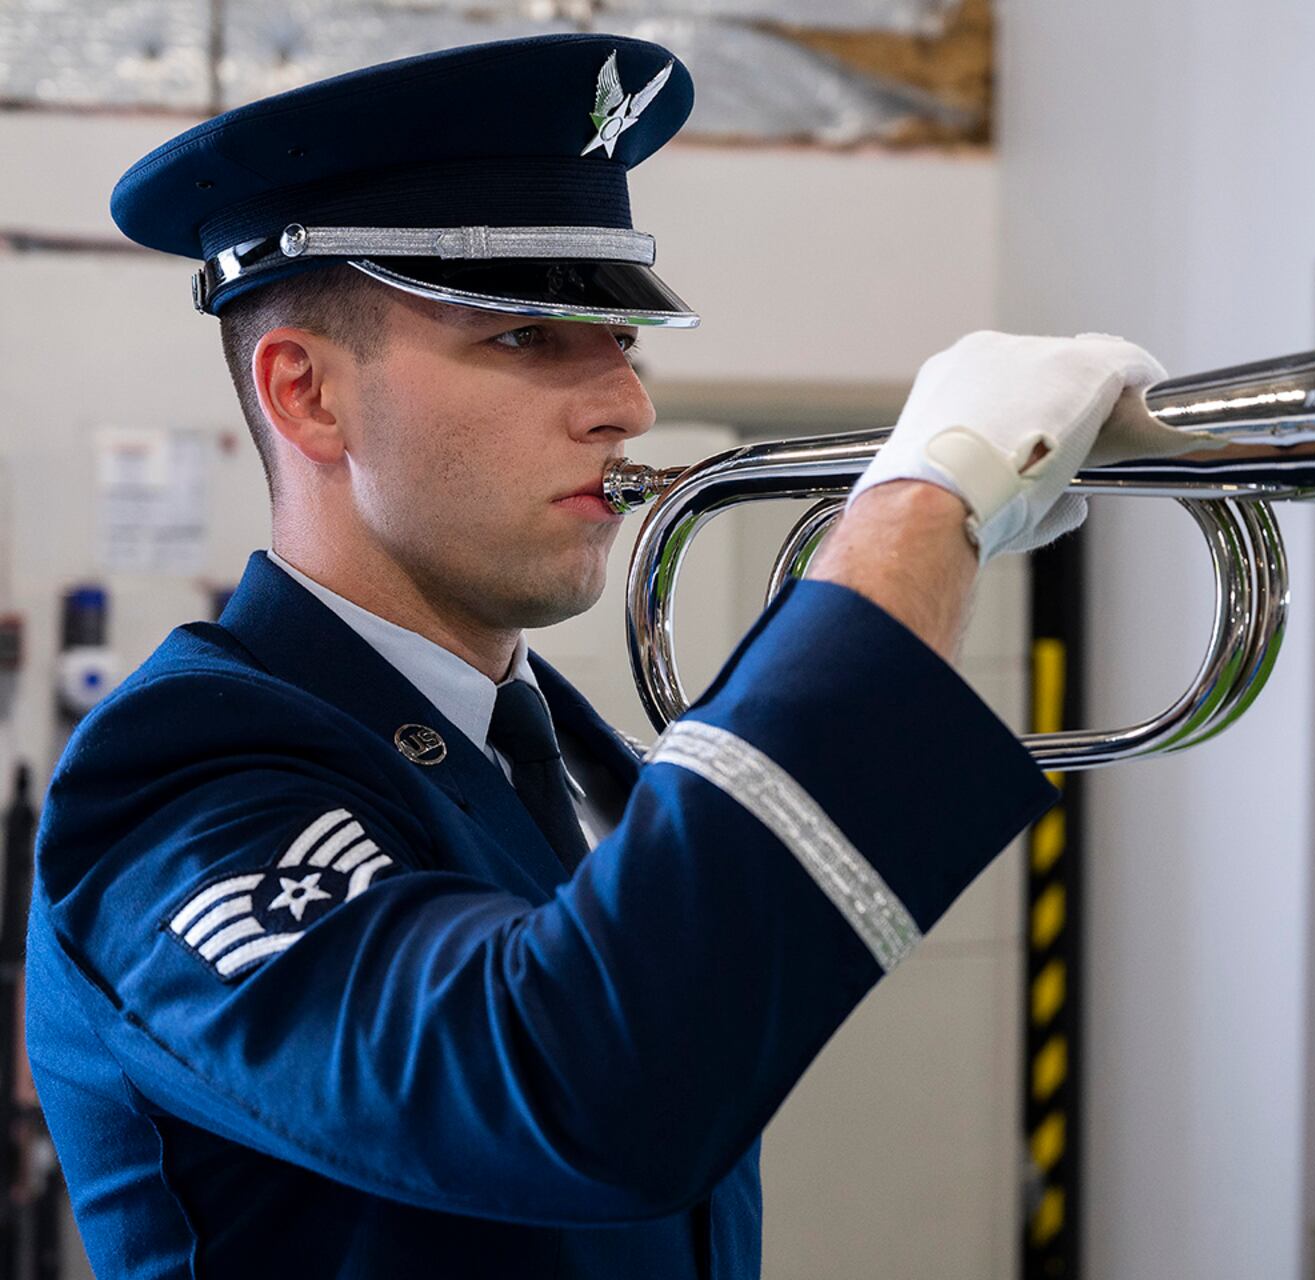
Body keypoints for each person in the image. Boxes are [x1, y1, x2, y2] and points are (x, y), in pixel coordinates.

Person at [23, 32, 1164, 1280]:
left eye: (621, 339)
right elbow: (579, 1082)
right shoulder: (180, 775)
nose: (625, 402)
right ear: (306, 394)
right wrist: (915, 511)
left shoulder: (566, 747)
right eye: (526, 338)